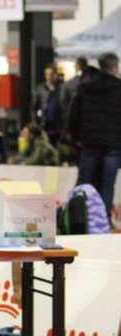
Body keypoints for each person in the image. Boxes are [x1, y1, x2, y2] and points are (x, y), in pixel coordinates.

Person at [68, 52, 121, 222]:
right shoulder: (119, 87)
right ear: (114, 67)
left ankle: (75, 217)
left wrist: (75, 137)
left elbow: (73, 114)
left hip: (89, 143)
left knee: (83, 180)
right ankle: (103, 220)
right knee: (107, 183)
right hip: (113, 144)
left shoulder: (85, 87)